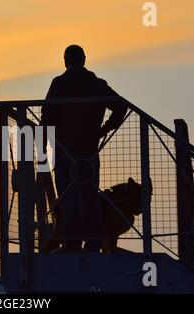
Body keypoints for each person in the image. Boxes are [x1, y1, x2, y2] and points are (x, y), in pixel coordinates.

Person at [41, 45, 127, 252]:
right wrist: (104, 129)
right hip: (89, 153)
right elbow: (120, 106)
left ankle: (71, 244)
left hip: (64, 153)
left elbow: (46, 117)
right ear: (84, 60)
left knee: (69, 199)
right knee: (90, 200)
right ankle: (93, 243)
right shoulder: (97, 84)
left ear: (65, 61)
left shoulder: (59, 84)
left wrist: (42, 150)